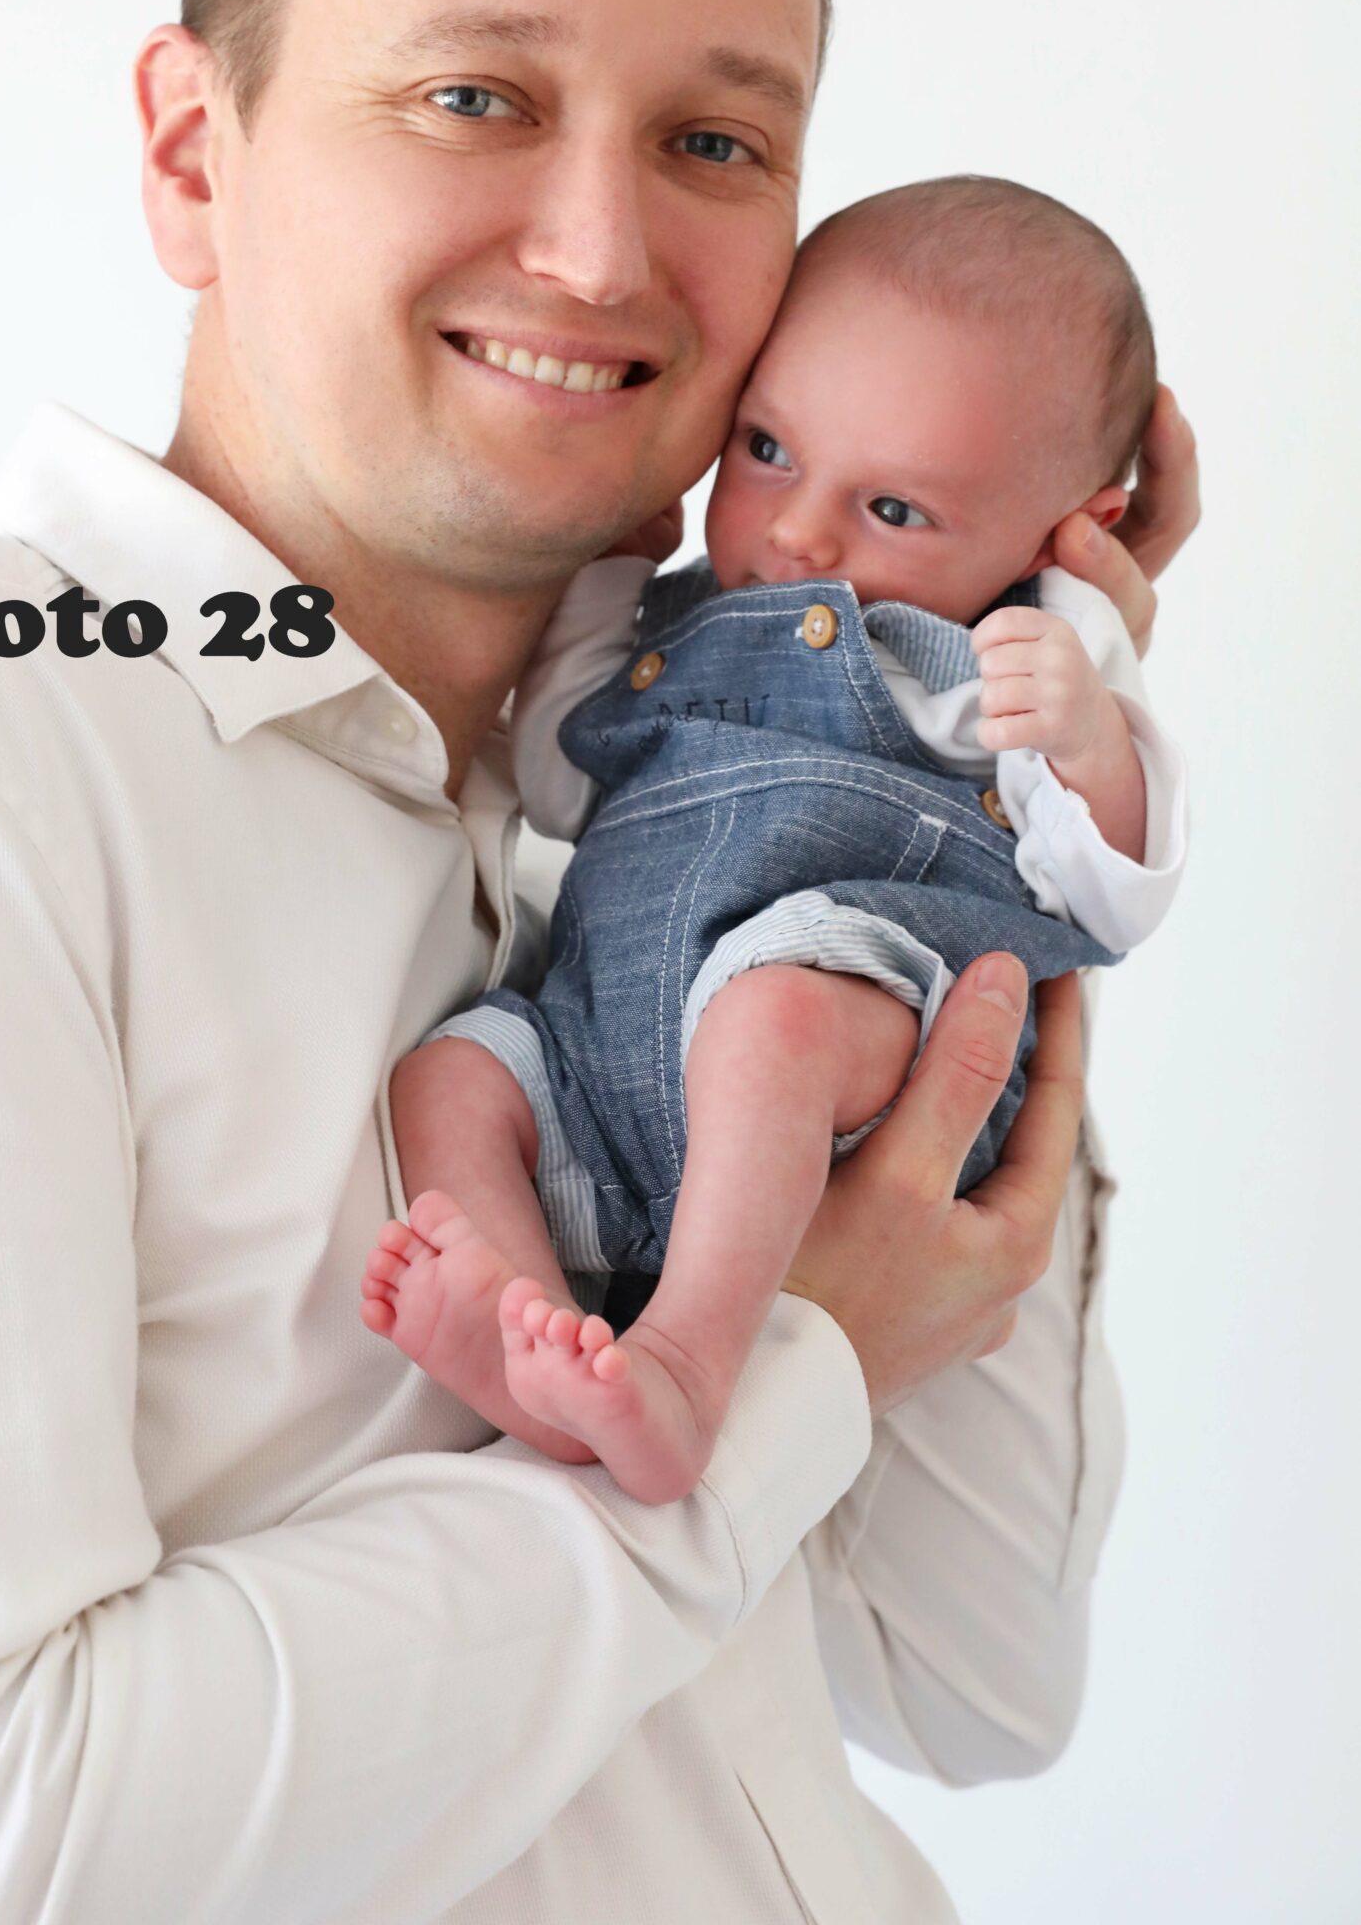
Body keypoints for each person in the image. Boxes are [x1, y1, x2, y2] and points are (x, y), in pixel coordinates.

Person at [0, 0, 1199, 1924]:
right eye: (473, 94)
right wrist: (777, 1373)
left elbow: (964, 1672)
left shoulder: (627, 772)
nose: (598, 248)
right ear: (194, 151)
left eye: (710, 141)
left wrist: (968, 771)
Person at [367, 177, 1189, 1504]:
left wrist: (1096, 733)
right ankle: (536, 1344)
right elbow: (567, 783)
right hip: (610, 1064)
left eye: (895, 511)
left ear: (1064, 537)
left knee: (776, 1008)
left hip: (856, 1072)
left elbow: (1111, 898)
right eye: (766, 449)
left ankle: (685, 1371)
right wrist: (604, 584)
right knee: (451, 1078)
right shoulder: (681, 624)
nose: (799, 532)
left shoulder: (1014, 666)